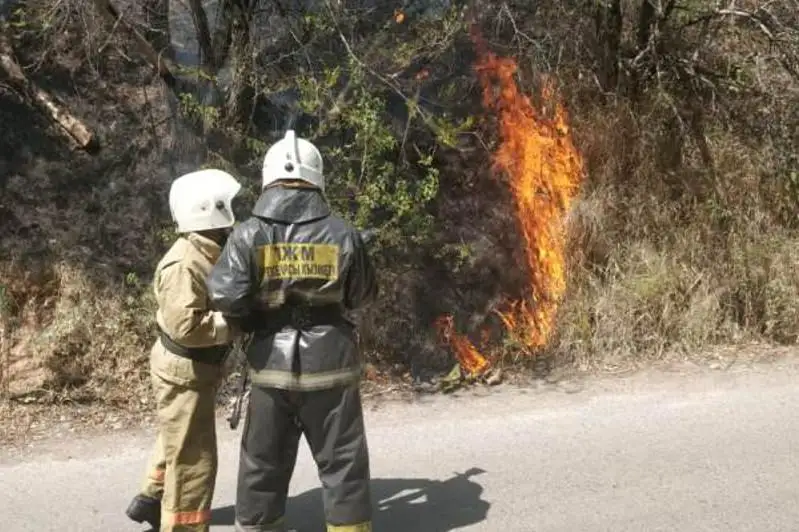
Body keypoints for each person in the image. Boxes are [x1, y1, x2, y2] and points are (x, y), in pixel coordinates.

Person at [206, 130, 378, 532]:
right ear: (317, 177)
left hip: (270, 367)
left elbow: (226, 296)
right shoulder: (343, 233)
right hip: (332, 365)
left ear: (268, 177)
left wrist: (257, 318)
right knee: (343, 460)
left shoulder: (248, 234)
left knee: (262, 462)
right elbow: (362, 295)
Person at [126, 168, 244, 531]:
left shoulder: (206, 251)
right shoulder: (185, 263)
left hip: (191, 368)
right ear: (210, 210)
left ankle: (152, 498)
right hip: (185, 368)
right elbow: (187, 328)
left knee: (179, 435)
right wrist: (236, 323)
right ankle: (183, 525)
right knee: (194, 458)